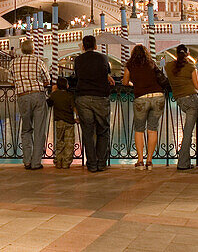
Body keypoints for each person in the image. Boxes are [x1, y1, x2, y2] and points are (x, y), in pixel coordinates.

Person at [166, 44, 198, 171]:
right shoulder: (191, 68)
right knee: (188, 132)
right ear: (187, 54)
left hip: (181, 101)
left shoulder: (168, 66)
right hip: (192, 101)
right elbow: (197, 86)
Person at [73, 34, 114, 172]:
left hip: (83, 97)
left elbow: (77, 75)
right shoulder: (103, 58)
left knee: (88, 131)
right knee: (103, 130)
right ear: (96, 46)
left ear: (83, 46)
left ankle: (91, 163)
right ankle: (101, 162)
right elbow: (105, 72)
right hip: (100, 97)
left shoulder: (78, 60)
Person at [11, 39, 50, 170]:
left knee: (26, 128)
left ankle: (27, 161)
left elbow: (11, 81)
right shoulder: (39, 61)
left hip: (22, 96)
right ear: (33, 49)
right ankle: (36, 163)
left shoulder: (14, 62)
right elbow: (47, 80)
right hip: (38, 95)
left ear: (21, 50)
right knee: (39, 130)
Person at [123, 44, 164, 169]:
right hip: (158, 96)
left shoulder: (130, 65)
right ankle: (150, 161)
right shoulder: (151, 63)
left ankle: (140, 161)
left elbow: (125, 82)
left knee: (139, 129)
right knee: (152, 129)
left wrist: (133, 83)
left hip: (141, 98)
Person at [49, 76, 77, 169]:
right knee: (69, 143)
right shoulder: (69, 95)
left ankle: (58, 161)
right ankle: (66, 163)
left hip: (59, 121)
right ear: (67, 86)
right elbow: (74, 108)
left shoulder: (54, 95)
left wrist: (53, 91)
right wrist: (78, 118)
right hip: (69, 122)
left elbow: (49, 103)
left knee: (59, 141)